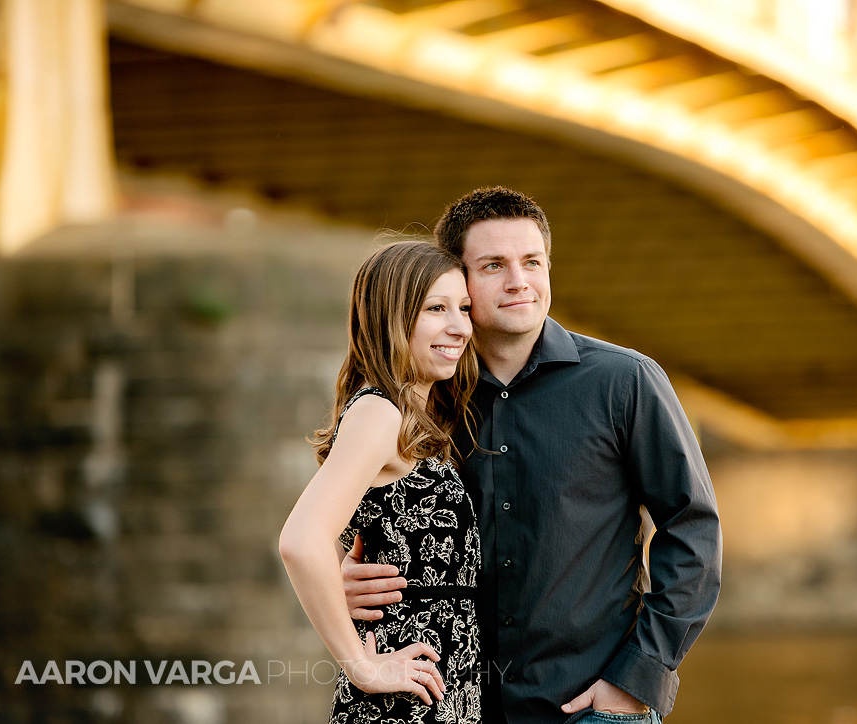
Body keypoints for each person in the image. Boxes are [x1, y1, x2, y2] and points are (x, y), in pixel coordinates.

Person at [343, 187, 722, 723]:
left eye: (532, 262)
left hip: (592, 708)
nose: (518, 281)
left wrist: (640, 674)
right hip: (451, 707)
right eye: (494, 265)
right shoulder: (427, 393)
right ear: (460, 281)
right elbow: (361, 512)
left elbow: (693, 529)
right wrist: (346, 572)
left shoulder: (624, 381)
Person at [279, 239, 485, 723]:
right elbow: (301, 541)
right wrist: (364, 668)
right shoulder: (379, 414)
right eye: (437, 308)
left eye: (464, 308)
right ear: (391, 318)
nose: (460, 327)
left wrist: (341, 578)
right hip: (403, 701)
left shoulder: (414, 415)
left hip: (440, 693)